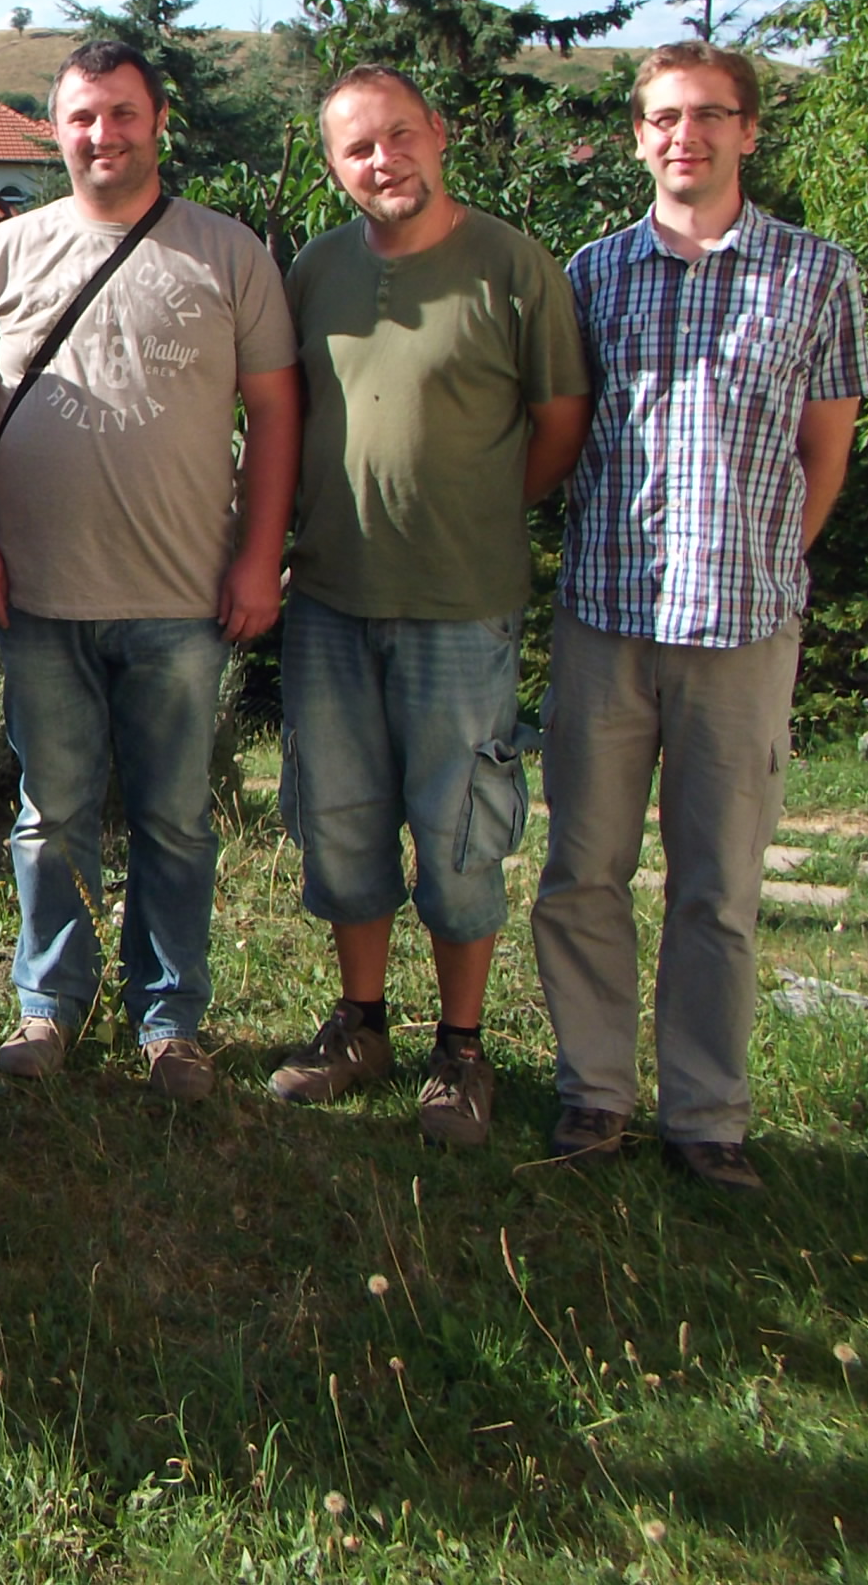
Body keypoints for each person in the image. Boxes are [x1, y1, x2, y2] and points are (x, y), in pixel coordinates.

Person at [0, 40, 300, 1100]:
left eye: (123, 113)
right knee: (49, 818)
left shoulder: (226, 252)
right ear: (56, 129)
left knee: (175, 821)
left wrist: (259, 558)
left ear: (158, 121)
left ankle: (169, 1020)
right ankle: (48, 1006)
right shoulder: (7, 249)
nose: (103, 134)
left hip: (183, 596)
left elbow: (278, 412)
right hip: (38, 593)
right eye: (83, 116)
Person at [533, 40, 868, 1194]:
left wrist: (765, 561)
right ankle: (592, 1093)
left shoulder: (813, 275)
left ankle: (705, 1115)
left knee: (716, 889)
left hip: (740, 627)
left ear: (747, 131)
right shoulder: (589, 274)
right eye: (664, 116)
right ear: (637, 137)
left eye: (709, 114)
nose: (686, 135)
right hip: (605, 616)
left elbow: (824, 452)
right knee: (581, 872)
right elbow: (561, 431)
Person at [264, 66, 588, 1147]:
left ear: (437, 134)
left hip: (461, 604)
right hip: (329, 598)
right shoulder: (315, 270)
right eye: (357, 148)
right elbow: (287, 417)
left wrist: (476, 514)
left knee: (458, 836)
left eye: (399, 135)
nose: (383, 160)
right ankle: (360, 1027)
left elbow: (558, 424)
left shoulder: (511, 266)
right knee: (341, 822)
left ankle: (460, 1049)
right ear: (333, 166)